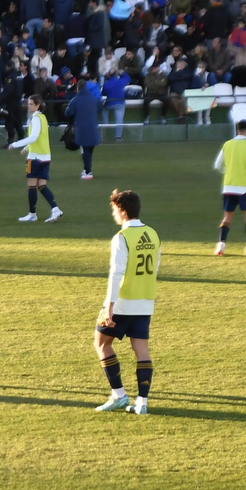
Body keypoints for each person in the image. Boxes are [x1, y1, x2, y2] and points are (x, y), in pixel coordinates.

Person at [93, 189, 158, 414]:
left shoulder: (121, 237)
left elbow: (116, 272)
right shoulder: (153, 234)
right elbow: (155, 269)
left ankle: (119, 395)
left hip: (123, 301)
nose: (113, 214)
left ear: (122, 211)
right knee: (141, 350)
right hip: (146, 300)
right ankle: (142, 402)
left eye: (114, 210)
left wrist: (108, 307)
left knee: (102, 343)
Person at [213, 118, 246, 256]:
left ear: (237, 130)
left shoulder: (227, 144)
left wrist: (229, 172)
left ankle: (221, 246)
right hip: (244, 189)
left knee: (227, 217)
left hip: (228, 187)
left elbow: (217, 165)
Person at [9, 94, 62, 223]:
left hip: (36, 157)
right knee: (42, 185)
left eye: (31, 104)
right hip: (45, 156)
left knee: (32, 185)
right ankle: (55, 209)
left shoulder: (36, 119)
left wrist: (15, 144)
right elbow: (39, 137)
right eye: (28, 104)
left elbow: (33, 137)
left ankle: (32, 214)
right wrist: (27, 148)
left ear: (38, 105)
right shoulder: (42, 118)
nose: (29, 106)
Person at [65, 79, 102, 180]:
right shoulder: (94, 99)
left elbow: (67, 113)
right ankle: (87, 169)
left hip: (82, 130)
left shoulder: (76, 100)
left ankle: (88, 172)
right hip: (93, 128)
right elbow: (99, 108)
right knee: (89, 151)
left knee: (85, 151)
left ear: (78, 88)